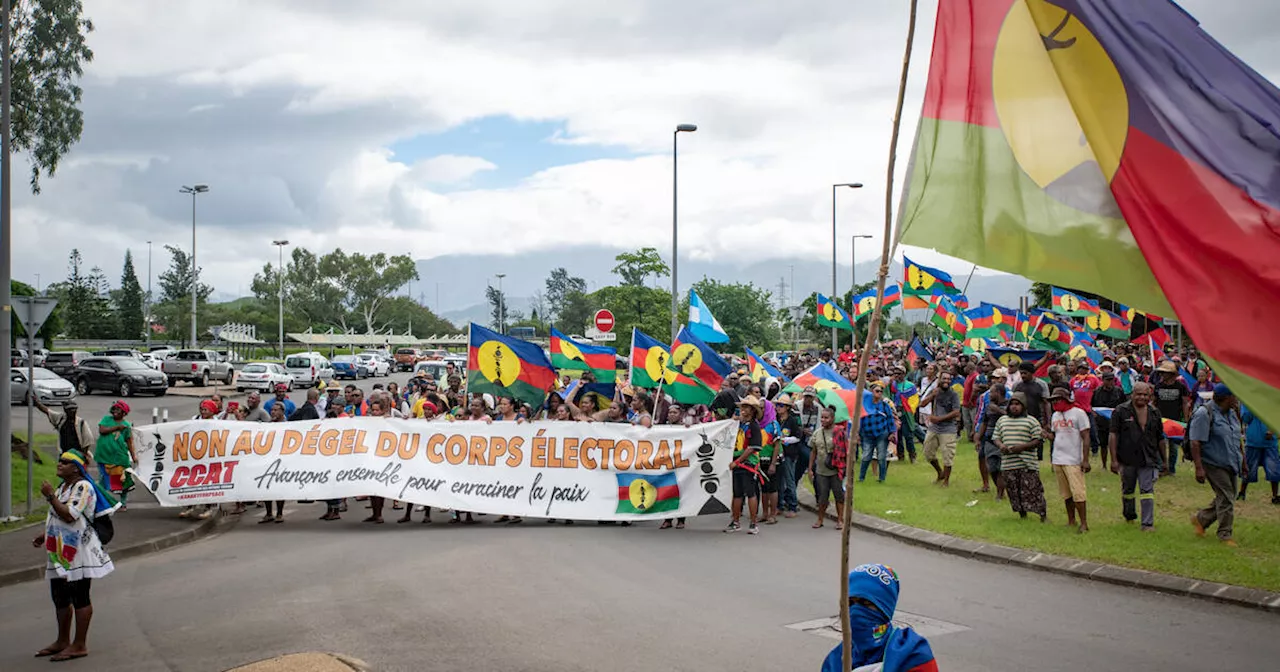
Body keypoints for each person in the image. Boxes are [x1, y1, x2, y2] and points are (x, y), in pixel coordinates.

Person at [31, 451, 117, 662]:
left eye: (65, 462)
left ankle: (79, 644)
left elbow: (70, 515)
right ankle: (62, 641)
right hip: (60, 550)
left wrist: (50, 496)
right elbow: (58, 516)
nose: (59, 464)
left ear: (76, 468)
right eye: (59, 460)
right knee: (59, 595)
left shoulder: (83, 487)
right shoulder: (63, 487)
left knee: (79, 595)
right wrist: (45, 535)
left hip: (78, 552)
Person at [820, 564, 938, 672]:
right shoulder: (835, 661)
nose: (855, 611)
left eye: (865, 603)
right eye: (850, 603)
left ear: (884, 609)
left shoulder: (912, 654)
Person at [1188, 384, 1245, 546]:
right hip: (1213, 462)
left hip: (1231, 460)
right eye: (1234, 396)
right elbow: (1195, 442)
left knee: (1228, 495)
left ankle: (1201, 519)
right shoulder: (1204, 413)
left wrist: (1243, 461)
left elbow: (1236, 437)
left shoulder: (1233, 414)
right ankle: (1225, 534)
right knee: (1227, 496)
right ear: (1225, 398)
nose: (1236, 400)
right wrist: (1199, 468)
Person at [1108, 382, 1168, 531]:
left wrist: (1164, 460)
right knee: (1128, 490)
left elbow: (1160, 437)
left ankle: (1147, 523)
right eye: (1139, 394)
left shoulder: (1155, 412)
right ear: (1132, 394)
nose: (1142, 397)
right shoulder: (1121, 411)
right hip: (1127, 458)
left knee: (1147, 491)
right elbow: (1113, 435)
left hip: (1148, 457)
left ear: (1150, 396)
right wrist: (1114, 460)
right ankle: (1129, 514)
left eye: (1145, 395)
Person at [994, 393, 1046, 521]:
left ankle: (1042, 515)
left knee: (1033, 490)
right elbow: (996, 437)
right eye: (1012, 404)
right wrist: (1001, 446)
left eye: (1017, 404)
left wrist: (1022, 447)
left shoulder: (1031, 421)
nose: (1014, 407)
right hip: (1009, 463)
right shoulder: (1002, 420)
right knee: (1014, 491)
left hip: (1026, 464)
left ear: (1023, 406)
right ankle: (1022, 515)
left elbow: (1038, 440)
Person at [1048, 387, 1091, 532]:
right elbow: (1055, 436)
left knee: (1078, 492)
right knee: (1066, 493)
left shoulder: (1078, 413)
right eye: (1053, 400)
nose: (1055, 403)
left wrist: (1085, 459)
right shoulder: (1055, 415)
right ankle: (1071, 520)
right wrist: (1046, 435)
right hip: (1058, 458)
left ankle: (1084, 523)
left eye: (1058, 399)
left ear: (1066, 399)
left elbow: (1086, 437)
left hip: (1073, 459)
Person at [727, 395, 763, 534]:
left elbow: (752, 448)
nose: (743, 410)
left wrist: (737, 461)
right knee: (737, 494)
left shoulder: (754, 426)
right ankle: (735, 521)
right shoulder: (739, 424)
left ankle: (753, 523)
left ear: (753, 410)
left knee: (750, 493)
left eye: (746, 407)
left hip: (748, 464)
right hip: (736, 463)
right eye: (742, 406)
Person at [920, 370, 960, 486]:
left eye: (949, 379)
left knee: (947, 455)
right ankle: (940, 472)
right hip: (934, 428)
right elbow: (922, 404)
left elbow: (956, 412)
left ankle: (946, 481)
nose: (947, 381)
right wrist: (932, 395)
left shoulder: (953, 394)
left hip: (948, 428)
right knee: (928, 452)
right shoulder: (935, 391)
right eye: (944, 378)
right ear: (940, 380)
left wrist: (939, 419)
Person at [94, 401, 137, 509]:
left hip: (119, 457)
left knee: (124, 480)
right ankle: (104, 503)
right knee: (103, 480)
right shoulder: (106, 419)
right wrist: (117, 428)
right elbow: (102, 430)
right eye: (114, 409)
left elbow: (129, 441)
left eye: (118, 410)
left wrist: (134, 456)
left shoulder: (126, 426)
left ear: (124, 413)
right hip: (103, 456)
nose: (115, 411)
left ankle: (123, 503)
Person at [808, 407, 845, 531]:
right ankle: (820, 519)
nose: (823, 420)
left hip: (835, 470)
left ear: (832, 419)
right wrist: (810, 469)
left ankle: (840, 519)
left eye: (826, 417)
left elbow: (845, 450)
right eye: (822, 417)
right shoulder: (817, 433)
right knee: (822, 497)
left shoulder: (839, 432)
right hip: (821, 470)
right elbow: (813, 451)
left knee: (838, 495)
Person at [974, 368, 1008, 500]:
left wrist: (998, 410)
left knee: (1001, 468)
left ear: (999, 393)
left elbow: (1011, 417)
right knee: (992, 468)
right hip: (989, 439)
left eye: (992, 392)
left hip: (1003, 440)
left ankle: (1000, 493)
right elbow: (984, 422)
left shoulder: (1009, 405)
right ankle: (999, 489)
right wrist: (978, 437)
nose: (990, 394)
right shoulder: (989, 406)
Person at [1238, 404, 1280, 504]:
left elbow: (1276, 417)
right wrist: (1254, 407)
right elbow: (1245, 419)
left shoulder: (1270, 401)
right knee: (1248, 469)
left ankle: (1275, 496)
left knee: (1274, 470)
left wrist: (1273, 431)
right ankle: (1242, 492)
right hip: (1253, 442)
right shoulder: (1247, 403)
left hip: (1270, 444)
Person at [858, 382, 897, 483]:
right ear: (871, 392)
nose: (879, 393)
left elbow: (890, 419)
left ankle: (882, 478)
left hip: (882, 434)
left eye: (881, 391)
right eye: (877, 391)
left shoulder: (885, 405)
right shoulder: (864, 405)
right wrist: (858, 434)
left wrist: (892, 432)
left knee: (881, 456)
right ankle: (861, 477)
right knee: (866, 456)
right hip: (867, 434)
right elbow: (860, 419)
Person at [1091, 370, 1127, 472]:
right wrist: (1095, 415)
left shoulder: (1119, 391)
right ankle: (1104, 465)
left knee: (1117, 443)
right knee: (1103, 444)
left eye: (1112, 380)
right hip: (1102, 421)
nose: (1110, 382)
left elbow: (1124, 405)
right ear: (1103, 380)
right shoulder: (1097, 392)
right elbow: (1092, 406)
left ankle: (1117, 463)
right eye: (1108, 380)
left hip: (1116, 421)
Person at [259, 404, 289, 524]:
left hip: (281, 460)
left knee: (279, 488)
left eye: (276, 410)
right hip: (268, 460)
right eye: (272, 410)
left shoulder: (288, 425)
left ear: (282, 411)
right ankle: (268, 513)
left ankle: (280, 513)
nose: (273, 412)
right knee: (266, 487)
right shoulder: (268, 425)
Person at [775, 394, 804, 517]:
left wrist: (784, 440)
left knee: (789, 480)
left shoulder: (792, 420)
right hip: (778, 454)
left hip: (789, 454)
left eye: (781, 405)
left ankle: (793, 506)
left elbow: (798, 437)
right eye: (777, 405)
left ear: (787, 407)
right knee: (779, 481)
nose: (778, 408)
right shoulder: (775, 419)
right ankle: (779, 505)